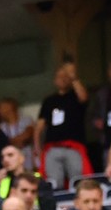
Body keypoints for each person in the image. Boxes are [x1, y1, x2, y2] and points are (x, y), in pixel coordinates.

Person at [34, 60, 92, 190]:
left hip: (73, 146)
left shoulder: (75, 96)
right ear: (55, 80)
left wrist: (73, 77)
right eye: (60, 77)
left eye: (66, 77)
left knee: (78, 182)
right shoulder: (49, 101)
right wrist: (37, 148)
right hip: (52, 147)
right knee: (53, 183)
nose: (63, 79)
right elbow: (39, 127)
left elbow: (84, 97)